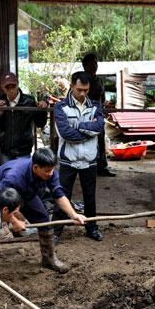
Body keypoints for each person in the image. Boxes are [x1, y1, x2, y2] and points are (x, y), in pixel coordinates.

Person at [0, 147, 86, 273]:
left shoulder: (50, 171)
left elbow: (58, 194)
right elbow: (0, 204)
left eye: (52, 170)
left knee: (43, 218)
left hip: (27, 192)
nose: (51, 173)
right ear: (35, 167)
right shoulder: (14, 176)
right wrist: (14, 221)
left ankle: (49, 258)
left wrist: (73, 215)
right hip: (0, 194)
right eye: (47, 171)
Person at [51, 71, 105, 243]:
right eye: (79, 89)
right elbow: (65, 133)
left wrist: (78, 126)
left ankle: (92, 228)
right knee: (62, 195)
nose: (82, 94)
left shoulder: (95, 106)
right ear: (72, 86)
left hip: (89, 160)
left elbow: (99, 128)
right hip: (69, 159)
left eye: (86, 90)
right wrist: (88, 132)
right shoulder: (61, 107)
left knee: (90, 197)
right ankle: (56, 230)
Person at [0, 72, 48, 164]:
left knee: (22, 176)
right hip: (6, 150)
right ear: (2, 87)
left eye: (13, 86)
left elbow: (40, 123)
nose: (11, 90)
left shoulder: (29, 101)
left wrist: (43, 110)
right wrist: (0, 113)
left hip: (23, 149)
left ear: (18, 84)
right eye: (7, 88)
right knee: (8, 176)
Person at [82, 53, 115, 177]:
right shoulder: (81, 80)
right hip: (85, 117)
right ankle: (87, 168)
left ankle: (102, 167)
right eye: (91, 64)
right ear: (85, 66)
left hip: (99, 115)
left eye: (96, 63)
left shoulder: (99, 80)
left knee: (100, 141)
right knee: (86, 141)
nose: (94, 66)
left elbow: (103, 97)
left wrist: (104, 110)